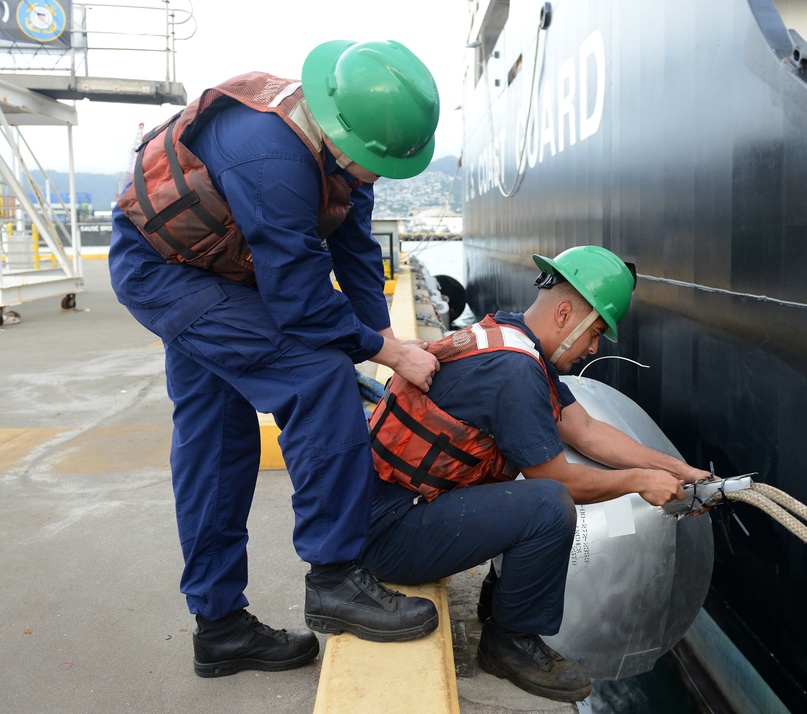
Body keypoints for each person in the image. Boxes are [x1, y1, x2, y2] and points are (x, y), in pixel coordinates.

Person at [108, 40, 443, 678]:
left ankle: (220, 630)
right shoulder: (271, 154)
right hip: (165, 272)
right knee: (317, 380)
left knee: (216, 438)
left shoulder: (343, 156)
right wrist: (387, 350)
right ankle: (336, 579)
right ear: (344, 132)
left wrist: (384, 341)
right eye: (371, 163)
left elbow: (353, 251)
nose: (373, 176)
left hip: (220, 271)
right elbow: (301, 302)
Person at [363, 245, 712, 702]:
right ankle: (510, 641)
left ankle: (499, 603)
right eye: (595, 334)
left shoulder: (512, 340)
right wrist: (639, 482)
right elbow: (562, 482)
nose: (592, 349)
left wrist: (677, 468)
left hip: (391, 512)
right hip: (387, 534)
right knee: (548, 505)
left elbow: (586, 431)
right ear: (565, 313)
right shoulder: (515, 371)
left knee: (533, 500)